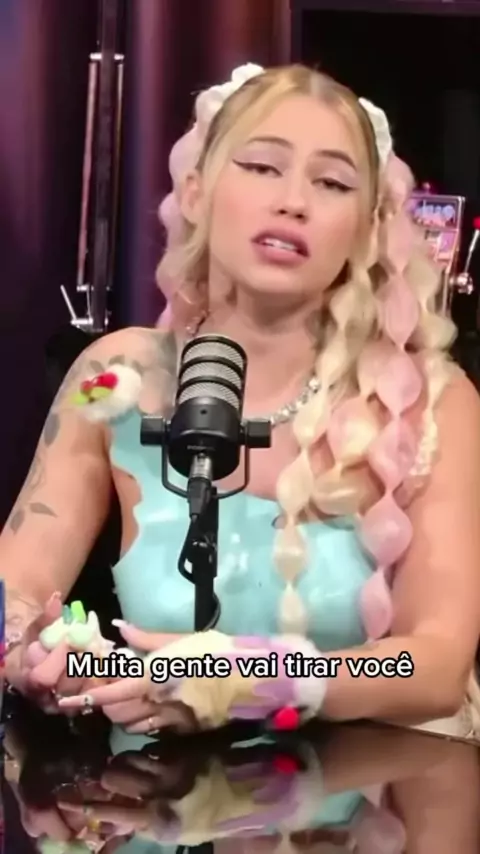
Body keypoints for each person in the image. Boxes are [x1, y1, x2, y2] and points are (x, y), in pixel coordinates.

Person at [3, 63, 480, 738]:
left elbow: (432, 666)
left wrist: (251, 684)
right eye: (261, 167)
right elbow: (14, 590)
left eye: (332, 182)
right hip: (152, 786)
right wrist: (34, 655)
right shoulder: (115, 377)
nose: (293, 202)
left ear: (367, 229)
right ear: (196, 193)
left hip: (369, 792)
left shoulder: (434, 403)